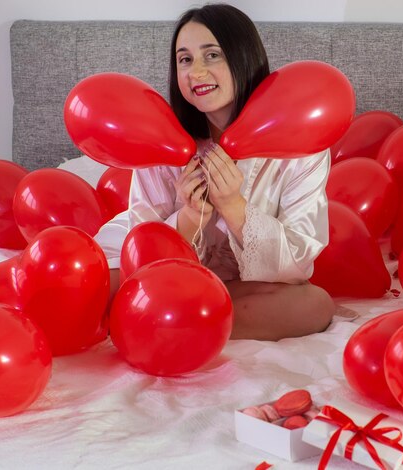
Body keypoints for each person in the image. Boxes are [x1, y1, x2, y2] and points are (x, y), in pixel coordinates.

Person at [95, 3, 338, 341]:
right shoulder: (163, 140)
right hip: (165, 278)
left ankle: (167, 323)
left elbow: (298, 264)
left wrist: (234, 207)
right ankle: (168, 318)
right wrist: (189, 217)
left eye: (212, 56)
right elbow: (140, 238)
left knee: (314, 305)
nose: (196, 72)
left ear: (243, 57)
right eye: (185, 59)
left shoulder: (300, 146)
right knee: (95, 285)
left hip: (246, 289)